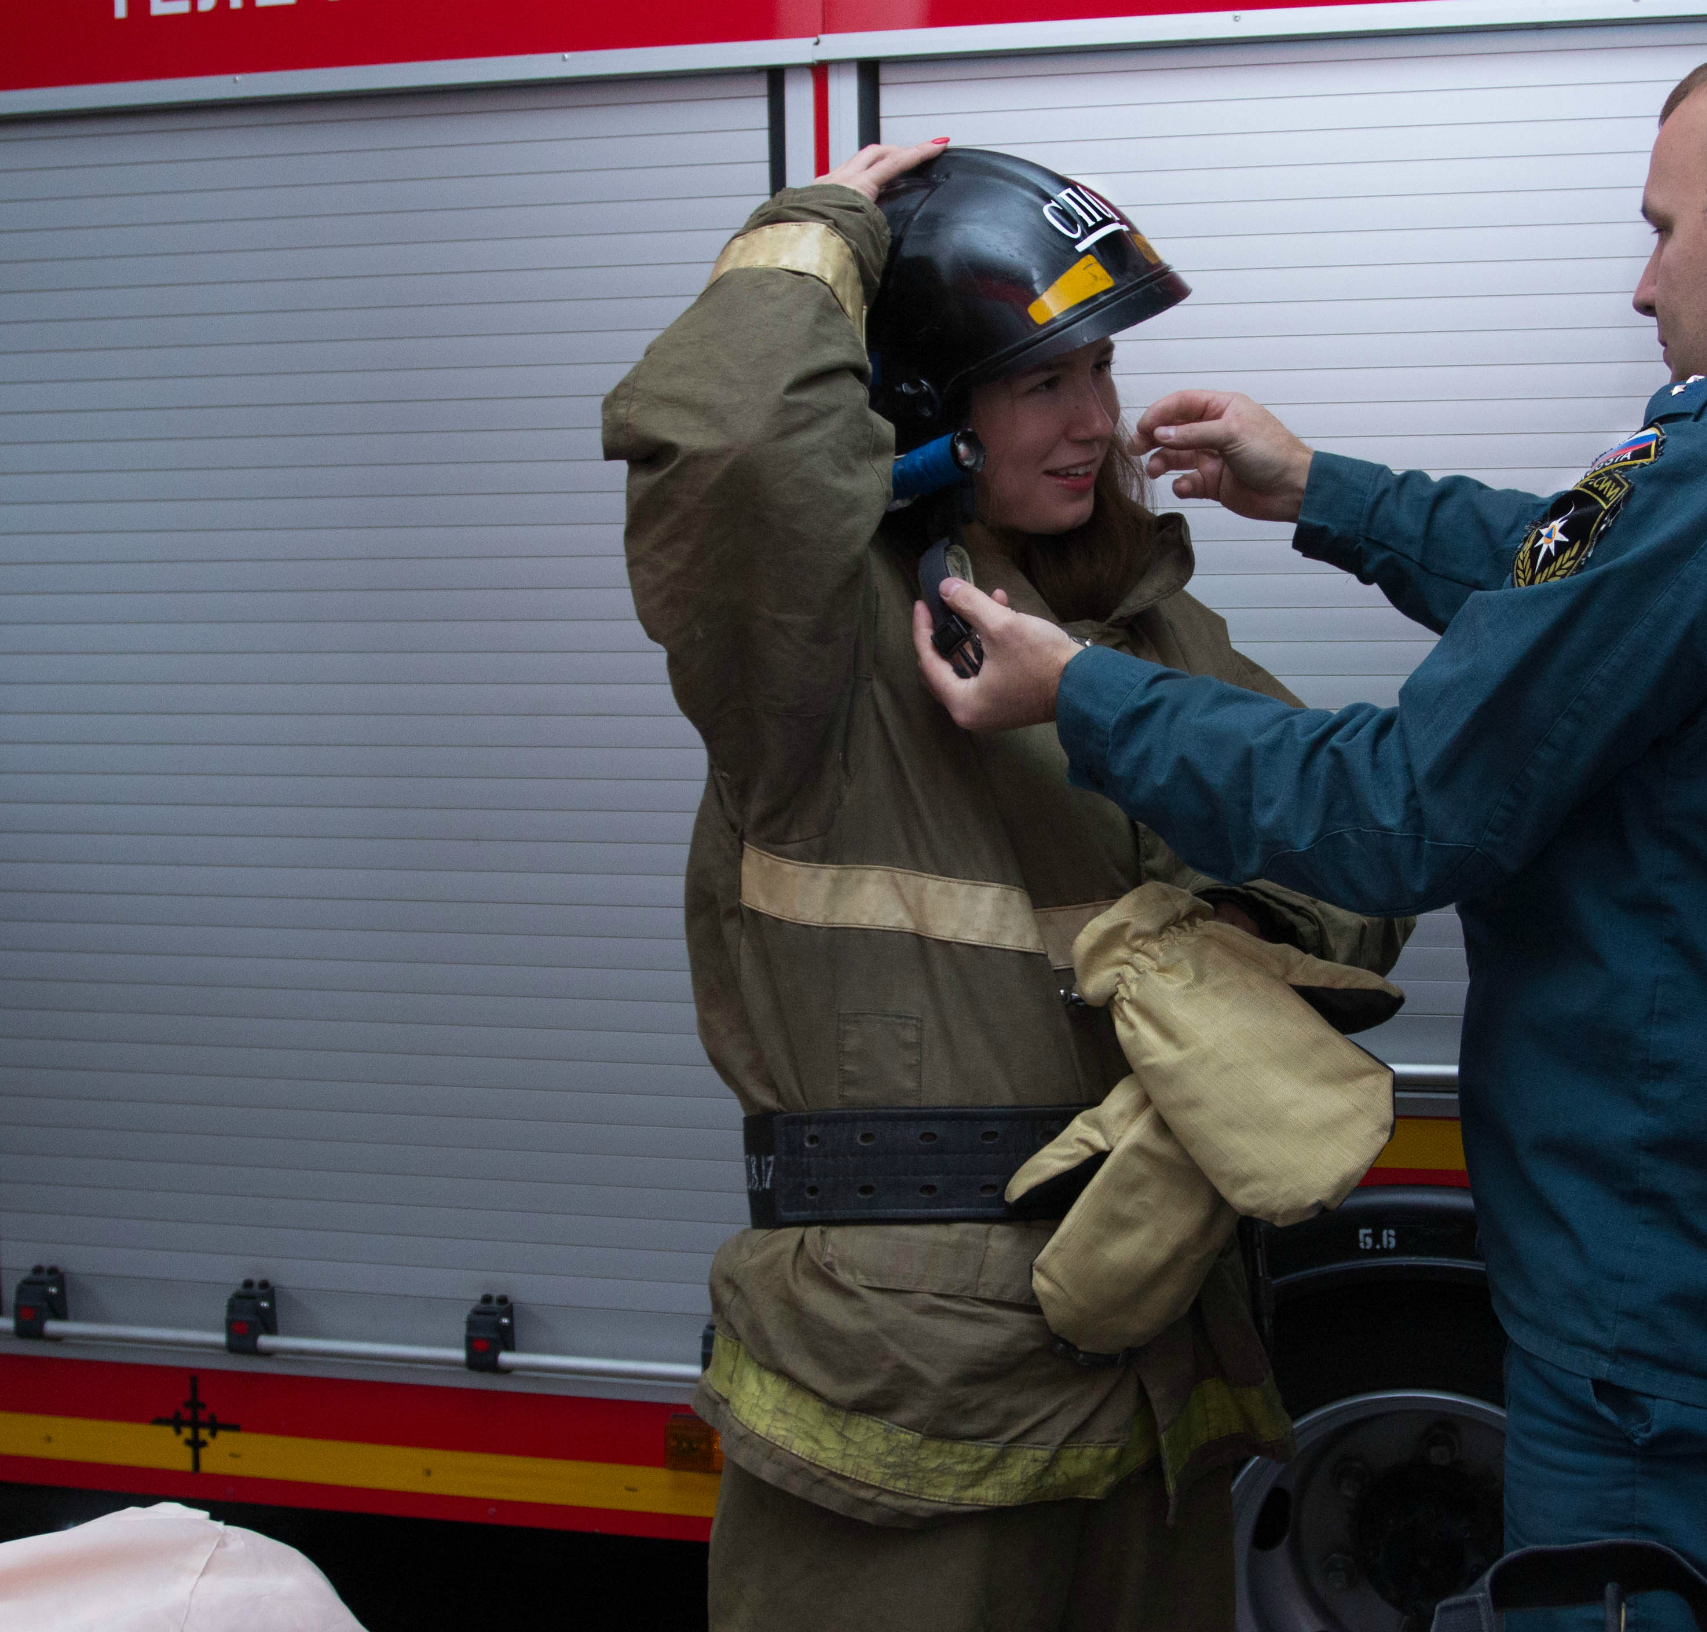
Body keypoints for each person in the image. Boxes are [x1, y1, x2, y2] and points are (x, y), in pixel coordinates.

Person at [912, 15, 1707, 1631]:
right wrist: (1318, 488)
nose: (1643, 284)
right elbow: (1579, 572)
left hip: (1682, 1341)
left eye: (1665, 228)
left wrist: (1081, 700)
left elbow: (1394, 812)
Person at [602, 140, 1406, 1630]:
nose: (1096, 421)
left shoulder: (1144, 630)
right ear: (923, 402)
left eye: (1097, 374)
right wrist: (814, 231)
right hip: (906, 1404)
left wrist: (1216, 954)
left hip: (1150, 1380)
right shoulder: (817, 642)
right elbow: (727, 449)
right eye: (1043, 382)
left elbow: (1353, 842)